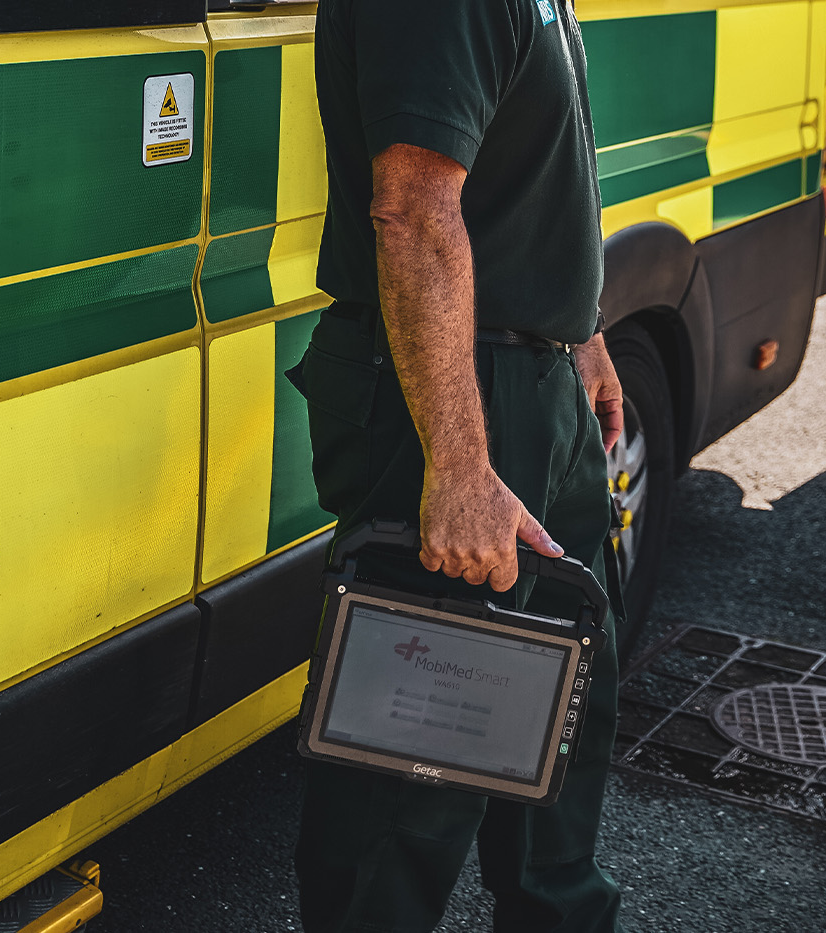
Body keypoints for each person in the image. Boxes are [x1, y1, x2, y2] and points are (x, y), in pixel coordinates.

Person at [289, 1, 628, 931]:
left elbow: (521, 172)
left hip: (531, 376)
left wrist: (578, 330)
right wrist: (461, 463)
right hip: (457, 392)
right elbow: (411, 208)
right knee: (411, 770)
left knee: (561, 721)